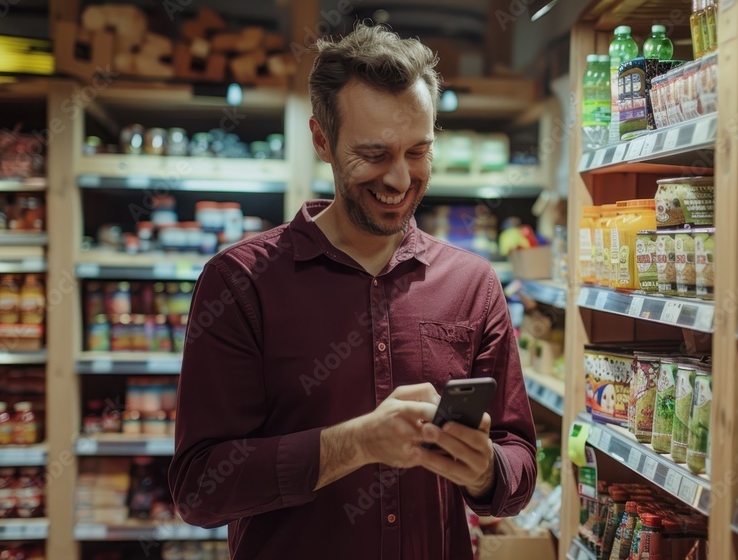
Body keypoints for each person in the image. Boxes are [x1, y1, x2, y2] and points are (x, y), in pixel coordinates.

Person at [169, 24, 537, 559]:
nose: (398, 178)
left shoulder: (472, 283)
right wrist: (357, 443)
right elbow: (199, 489)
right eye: (374, 153)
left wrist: (486, 470)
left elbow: (519, 466)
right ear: (322, 140)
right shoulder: (241, 283)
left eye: (418, 151)